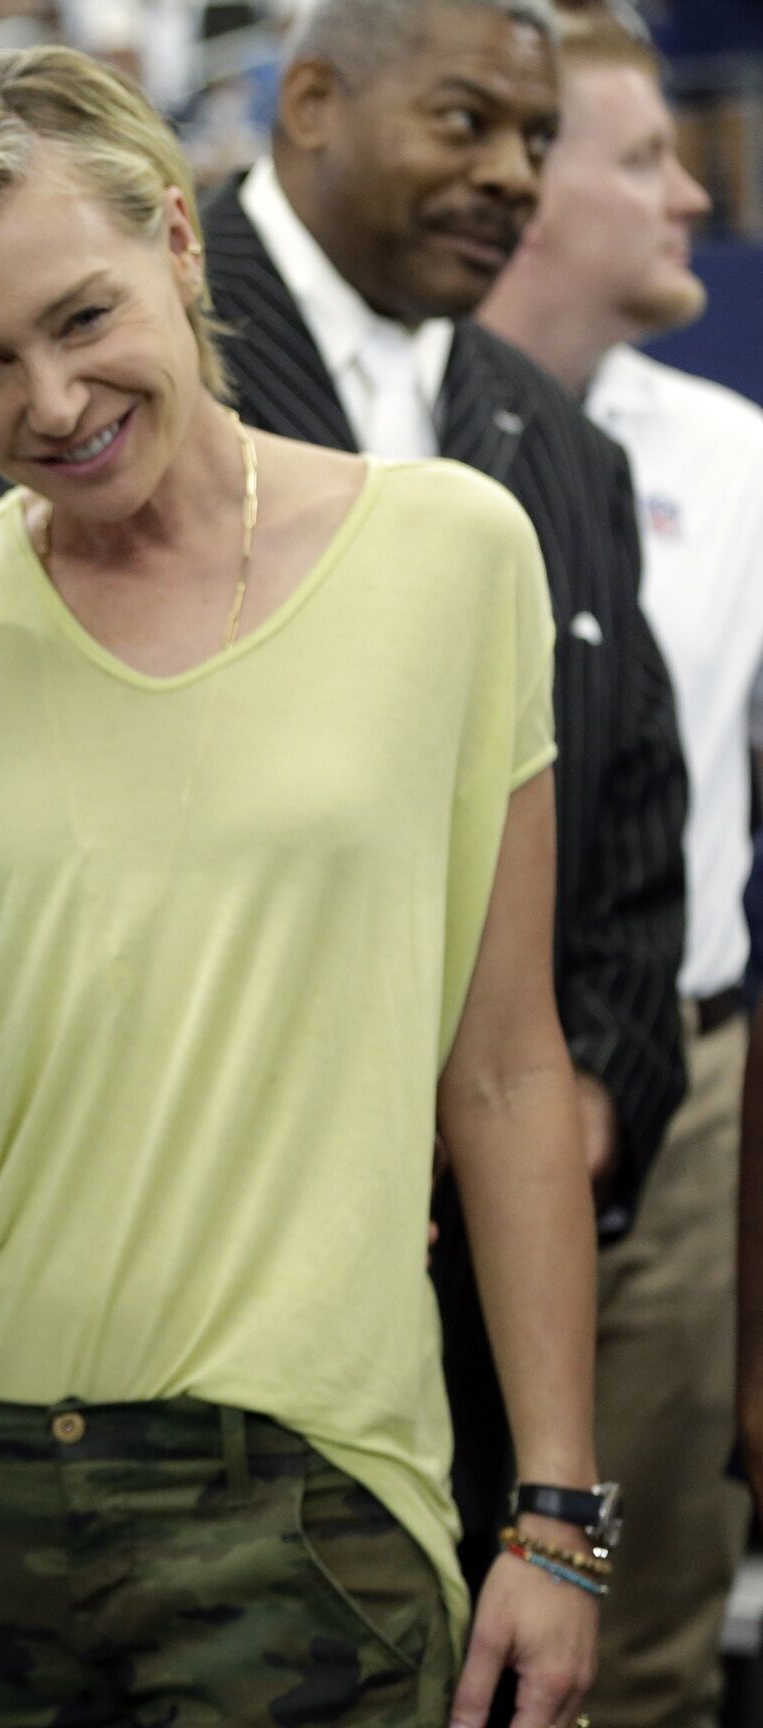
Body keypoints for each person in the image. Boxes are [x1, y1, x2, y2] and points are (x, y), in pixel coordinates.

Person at [0, 45, 600, 1728]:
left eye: (80, 316)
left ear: (178, 236)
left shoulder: (453, 551)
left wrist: (560, 1513)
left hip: (312, 1494)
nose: (48, 402)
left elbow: (511, 1064)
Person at [484, 11, 763, 1725]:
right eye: (640, 156)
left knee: (645, 1643)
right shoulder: (356, 436)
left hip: (699, 1099)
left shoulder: (741, 462)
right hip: (421, 1104)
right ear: (525, 192)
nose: (690, 191)